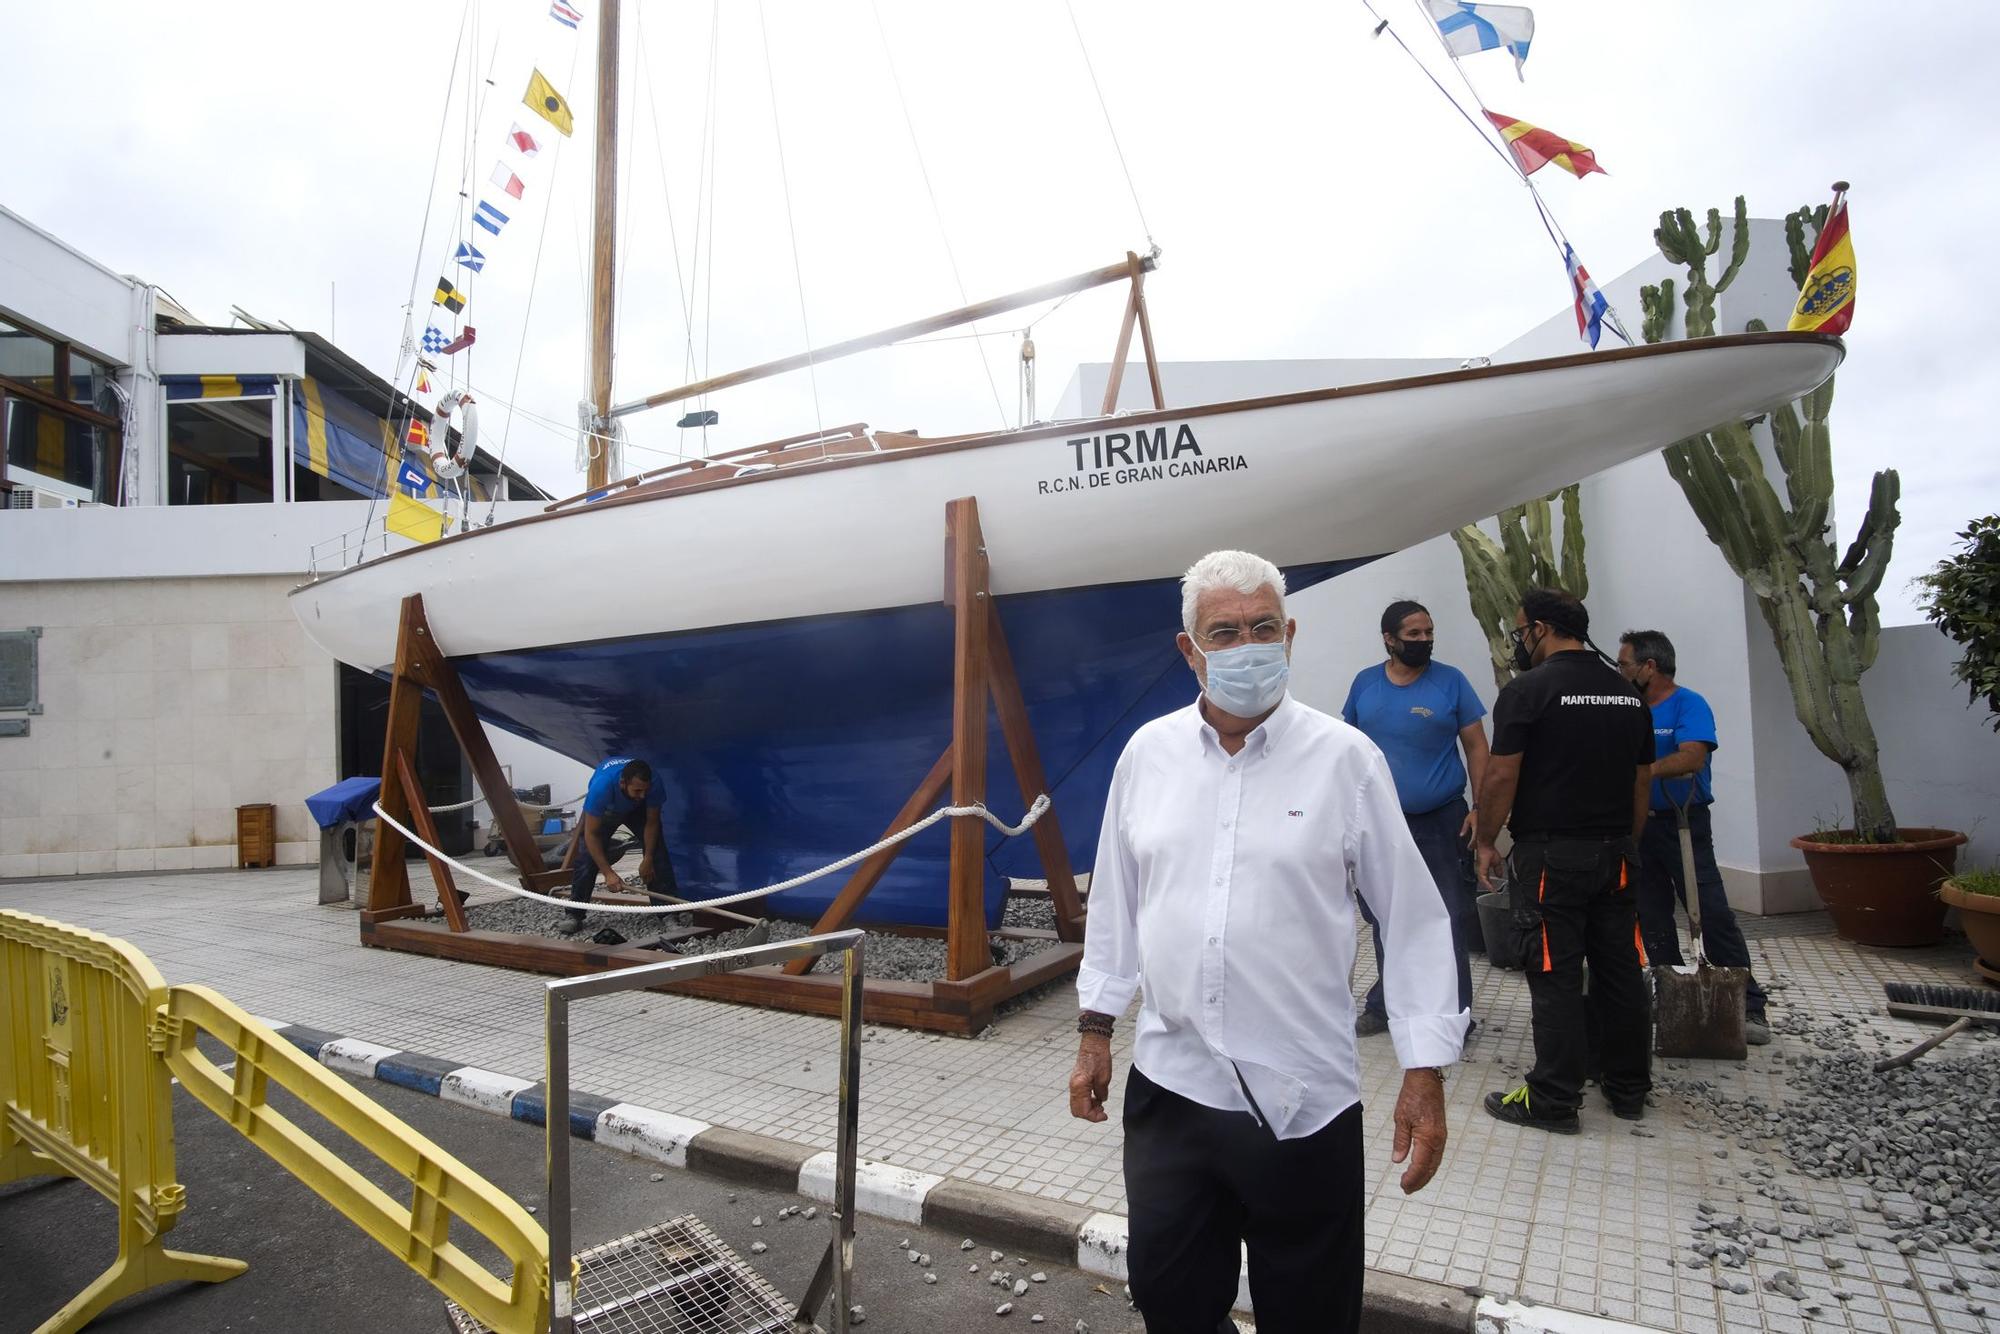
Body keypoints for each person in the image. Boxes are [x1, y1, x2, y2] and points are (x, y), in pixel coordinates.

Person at [1069, 550, 1467, 1334]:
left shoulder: (1345, 762)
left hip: (1303, 1100)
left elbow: (1415, 919)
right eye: (1224, 631)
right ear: (1190, 650)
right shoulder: (1147, 755)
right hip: (1173, 1087)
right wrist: (1094, 1029)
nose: (1246, 645)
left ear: (1289, 636)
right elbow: (1117, 899)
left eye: (1261, 628)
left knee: (1311, 1316)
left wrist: (1425, 1073)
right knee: (1171, 1301)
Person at [1473, 588, 1653, 1133]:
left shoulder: (1529, 691)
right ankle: (1627, 1089)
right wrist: (1629, 843)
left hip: (1552, 858)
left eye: (1521, 629)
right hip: (1617, 853)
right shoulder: (1625, 692)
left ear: (1542, 629)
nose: (1518, 640)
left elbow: (1502, 775)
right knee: (1619, 969)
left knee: (1553, 973)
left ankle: (1553, 1098)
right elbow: (1640, 780)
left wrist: (1485, 840)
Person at [1617, 629, 1771, 1045]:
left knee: (1711, 911)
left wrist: (1644, 771)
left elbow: (1693, 755)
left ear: (1650, 667)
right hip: (1640, 824)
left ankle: (1749, 1005)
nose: (1620, 671)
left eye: (1625, 664)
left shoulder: (1689, 704)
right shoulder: (1629, 709)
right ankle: (1671, 995)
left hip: (1684, 824)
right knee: (1651, 913)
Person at [1341, 599, 1489, 1034]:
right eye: (1414, 635)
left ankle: (1453, 1013)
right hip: (1380, 821)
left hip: (1441, 821)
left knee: (1445, 915)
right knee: (1386, 914)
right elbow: (1348, 744)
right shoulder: (1365, 684)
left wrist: (1482, 809)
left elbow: (1477, 747)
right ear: (1389, 639)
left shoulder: (1451, 682)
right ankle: (1389, 1005)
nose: (1424, 641)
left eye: (1428, 633)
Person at [559, 756, 674, 935]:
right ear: (622, 783)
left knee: (658, 853)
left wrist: (648, 859)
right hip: (609, 808)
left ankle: (667, 913)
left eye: (645, 791)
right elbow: (591, 834)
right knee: (587, 859)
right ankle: (574, 913)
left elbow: (652, 823)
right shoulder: (601, 788)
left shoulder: (653, 783)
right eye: (637, 791)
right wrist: (608, 873)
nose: (642, 796)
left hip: (636, 811)